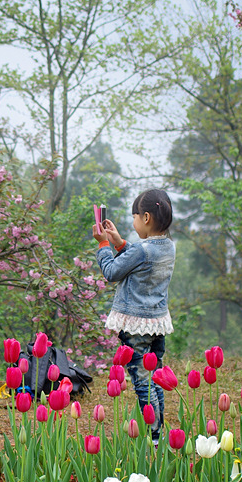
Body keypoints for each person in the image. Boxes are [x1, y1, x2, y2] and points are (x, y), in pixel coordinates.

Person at [93, 189, 175, 443]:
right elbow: (139, 261)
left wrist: (103, 245)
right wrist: (119, 242)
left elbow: (112, 271)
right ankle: (159, 430)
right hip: (157, 324)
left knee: (142, 382)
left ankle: (153, 435)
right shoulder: (169, 247)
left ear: (147, 217)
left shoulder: (142, 250)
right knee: (155, 378)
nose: (133, 222)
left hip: (137, 327)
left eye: (135, 217)